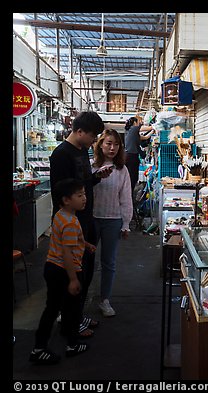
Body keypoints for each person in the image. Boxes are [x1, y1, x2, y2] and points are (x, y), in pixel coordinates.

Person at [49, 111, 112, 338]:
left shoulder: (81, 151)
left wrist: (96, 177)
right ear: (79, 131)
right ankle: (70, 323)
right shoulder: (61, 155)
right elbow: (62, 193)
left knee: (84, 271)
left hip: (86, 219)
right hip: (71, 222)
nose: (94, 140)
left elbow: (81, 183)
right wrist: (72, 224)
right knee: (73, 273)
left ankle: (77, 314)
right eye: (93, 136)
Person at [29, 178, 96, 364]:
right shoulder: (71, 223)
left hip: (52, 268)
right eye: (80, 195)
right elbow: (67, 252)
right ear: (66, 200)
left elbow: (67, 241)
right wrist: (73, 279)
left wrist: (86, 244)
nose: (85, 198)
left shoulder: (61, 215)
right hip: (65, 271)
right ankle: (63, 346)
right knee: (70, 310)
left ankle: (43, 346)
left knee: (55, 308)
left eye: (84, 194)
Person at [91, 129, 133, 317]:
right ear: (100, 144)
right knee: (84, 262)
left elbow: (126, 198)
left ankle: (104, 300)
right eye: (108, 143)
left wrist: (126, 223)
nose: (112, 147)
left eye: (116, 144)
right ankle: (77, 301)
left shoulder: (121, 170)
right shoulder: (90, 166)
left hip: (113, 220)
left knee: (109, 262)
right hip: (91, 219)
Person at [124, 116, 155, 194]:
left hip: (131, 156)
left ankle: (130, 195)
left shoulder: (132, 133)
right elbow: (145, 128)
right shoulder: (133, 129)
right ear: (134, 123)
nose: (140, 124)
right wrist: (154, 126)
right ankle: (129, 196)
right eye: (138, 122)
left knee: (133, 177)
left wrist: (152, 131)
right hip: (131, 157)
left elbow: (145, 137)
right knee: (132, 178)